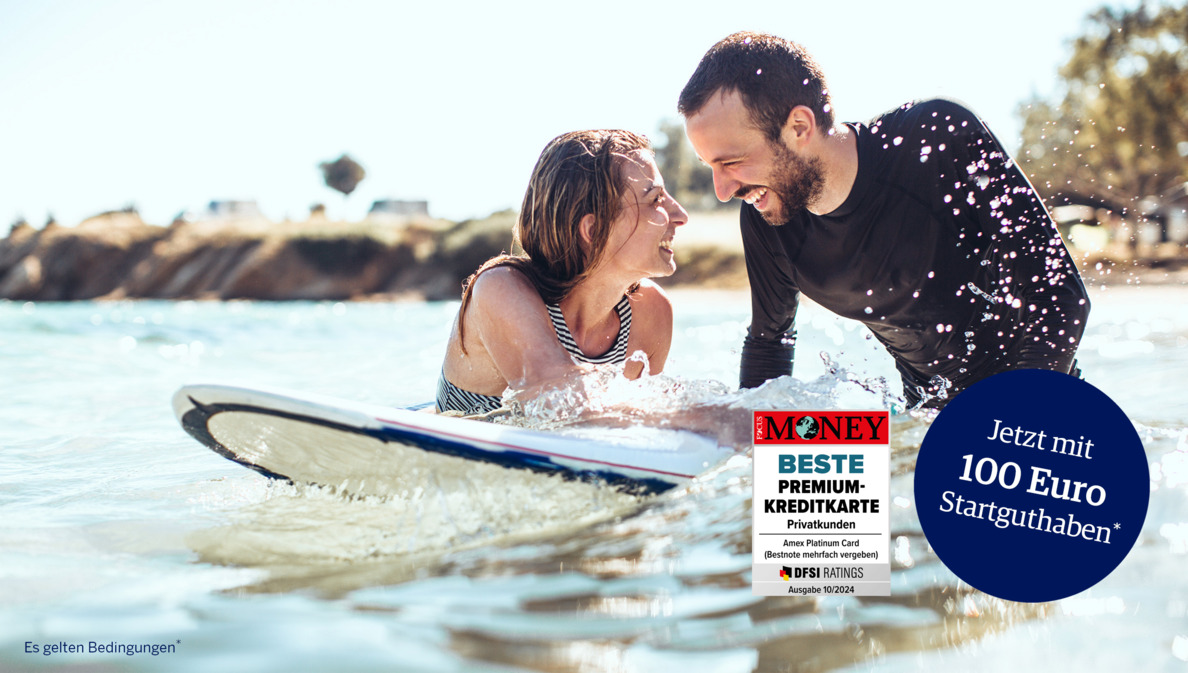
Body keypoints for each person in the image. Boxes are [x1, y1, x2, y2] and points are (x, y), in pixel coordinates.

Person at [678, 32, 1090, 408]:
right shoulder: (769, 217)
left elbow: (1060, 298)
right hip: (924, 421)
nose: (722, 190)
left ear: (798, 127)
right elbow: (769, 343)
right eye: (709, 166)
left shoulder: (934, 138)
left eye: (731, 162)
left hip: (1040, 407)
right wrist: (747, 452)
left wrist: (1006, 426)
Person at [436, 129, 688, 415]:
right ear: (594, 231)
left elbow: (638, 435)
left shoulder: (650, 312)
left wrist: (748, 427)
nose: (680, 215)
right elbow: (560, 404)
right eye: (656, 199)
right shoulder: (501, 288)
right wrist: (728, 420)